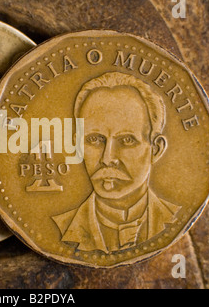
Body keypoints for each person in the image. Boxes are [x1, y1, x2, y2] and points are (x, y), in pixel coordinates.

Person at [52, 72, 181, 253]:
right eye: (95, 140)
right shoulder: (60, 226)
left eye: (127, 140)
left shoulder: (178, 220)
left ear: (156, 149)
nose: (107, 159)